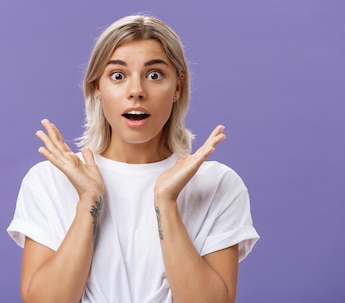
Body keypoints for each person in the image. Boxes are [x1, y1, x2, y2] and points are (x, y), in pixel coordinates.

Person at [6, 14, 259, 302]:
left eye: (154, 75)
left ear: (177, 87)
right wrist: (88, 201)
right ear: (97, 87)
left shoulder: (217, 184)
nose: (136, 91)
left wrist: (165, 201)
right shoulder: (49, 180)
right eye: (118, 75)